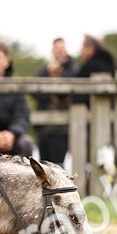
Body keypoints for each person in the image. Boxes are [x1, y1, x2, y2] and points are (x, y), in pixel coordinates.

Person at [34, 38, 77, 166]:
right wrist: (49, 73)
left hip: (62, 127)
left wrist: (57, 76)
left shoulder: (73, 70)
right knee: (43, 164)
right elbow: (35, 91)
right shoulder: (44, 70)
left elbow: (66, 94)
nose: (60, 53)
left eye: (62, 49)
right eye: (57, 50)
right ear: (52, 52)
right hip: (44, 126)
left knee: (58, 165)